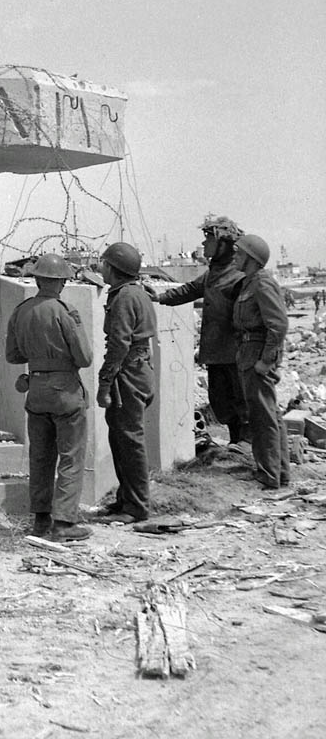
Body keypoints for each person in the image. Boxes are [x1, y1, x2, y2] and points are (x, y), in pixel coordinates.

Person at [6, 253, 94, 541]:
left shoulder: (21, 311)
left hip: (36, 390)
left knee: (40, 457)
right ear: (60, 282)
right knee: (71, 456)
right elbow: (84, 357)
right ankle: (64, 523)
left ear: (37, 278)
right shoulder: (64, 311)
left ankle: (41, 521)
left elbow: (12, 355)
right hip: (65, 391)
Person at [149, 215, 248, 444]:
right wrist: (160, 297)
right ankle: (236, 446)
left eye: (208, 239)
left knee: (242, 406)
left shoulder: (239, 276)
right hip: (216, 353)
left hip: (235, 355)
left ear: (223, 243)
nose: (203, 244)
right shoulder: (215, 272)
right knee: (222, 405)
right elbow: (191, 290)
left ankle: (246, 451)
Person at [96, 241, 157, 523]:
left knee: (129, 441)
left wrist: (105, 382)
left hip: (128, 374)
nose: (101, 268)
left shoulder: (123, 298)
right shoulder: (136, 293)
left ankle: (136, 507)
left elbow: (119, 345)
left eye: (104, 264)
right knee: (121, 439)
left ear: (113, 268)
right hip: (139, 371)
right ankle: (126, 499)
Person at [231, 234, 290, 489]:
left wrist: (266, 361)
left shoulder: (262, 283)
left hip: (257, 354)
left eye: (238, 252)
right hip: (250, 352)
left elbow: (278, 325)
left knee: (262, 417)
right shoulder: (250, 282)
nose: (234, 256)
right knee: (270, 415)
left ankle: (268, 475)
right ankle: (279, 473)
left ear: (250, 258)